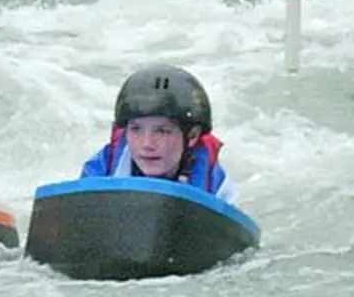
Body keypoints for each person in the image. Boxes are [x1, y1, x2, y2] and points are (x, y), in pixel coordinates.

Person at [80, 64, 238, 203]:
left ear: (192, 136)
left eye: (162, 131)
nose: (147, 144)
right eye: (136, 130)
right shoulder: (100, 172)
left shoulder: (216, 186)